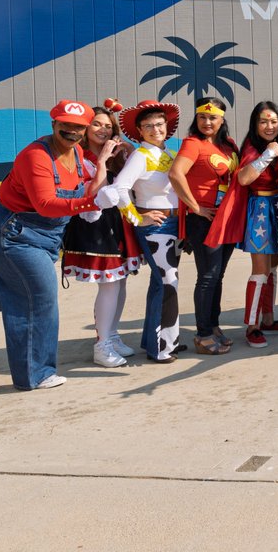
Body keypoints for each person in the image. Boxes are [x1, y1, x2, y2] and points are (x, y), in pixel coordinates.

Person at [0, 100, 104, 390]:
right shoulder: (35, 157)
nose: (71, 131)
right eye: (65, 125)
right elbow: (46, 205)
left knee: (13, 293)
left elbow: (82, 185)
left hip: (44, 237)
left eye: (78, 127)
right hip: (11, 233)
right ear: (53, 125)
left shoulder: (77, 153)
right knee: (39, 297)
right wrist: (90, 202)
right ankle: (35, 374)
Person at [97, 100, 184, 363]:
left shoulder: (167, 153)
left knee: (164, 283)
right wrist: (137, 218)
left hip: (173, 226)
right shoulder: (141, 156)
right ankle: (161, 348)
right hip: (157, 227)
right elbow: (119, 189)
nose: (155, 129)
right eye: (148, 126)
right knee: (167, 283)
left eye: (159, 124)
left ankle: (163, 341)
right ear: (140, 130)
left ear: (166, 126)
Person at [205, 100, 278, 349]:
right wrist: (268, 155)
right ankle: (252, 326)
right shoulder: (253, 147)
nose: (269, 126)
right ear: (255, 124)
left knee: (272, 269)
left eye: (274, 121)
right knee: (260, 271)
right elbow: (245, 178)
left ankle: (268, 319)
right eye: (264, 121)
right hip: (259, 210)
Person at [60, 101, 142, 367]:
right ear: (85, 127)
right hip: (93, 224)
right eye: (97, 124)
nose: (103, 130)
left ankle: (112, 334)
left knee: (121, 282)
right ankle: (101, 344)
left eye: (108, 126)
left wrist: (125, 153)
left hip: (118, 223)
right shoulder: (76, 156)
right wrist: (104, 159)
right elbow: (93, 194)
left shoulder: (115, 154)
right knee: (109, 283)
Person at [168, 97, 240, 356]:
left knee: (218, 275)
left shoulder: (228, 145)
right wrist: (195, 207)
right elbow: (176, 174)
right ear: (196, 119)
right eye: (202, 117)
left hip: (226, 218)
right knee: (208, 276)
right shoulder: (192, 143)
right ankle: (203, 334)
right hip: (204, 220)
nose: (207, 122)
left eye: (213, 118)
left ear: (222, 120)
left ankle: (213, 325)